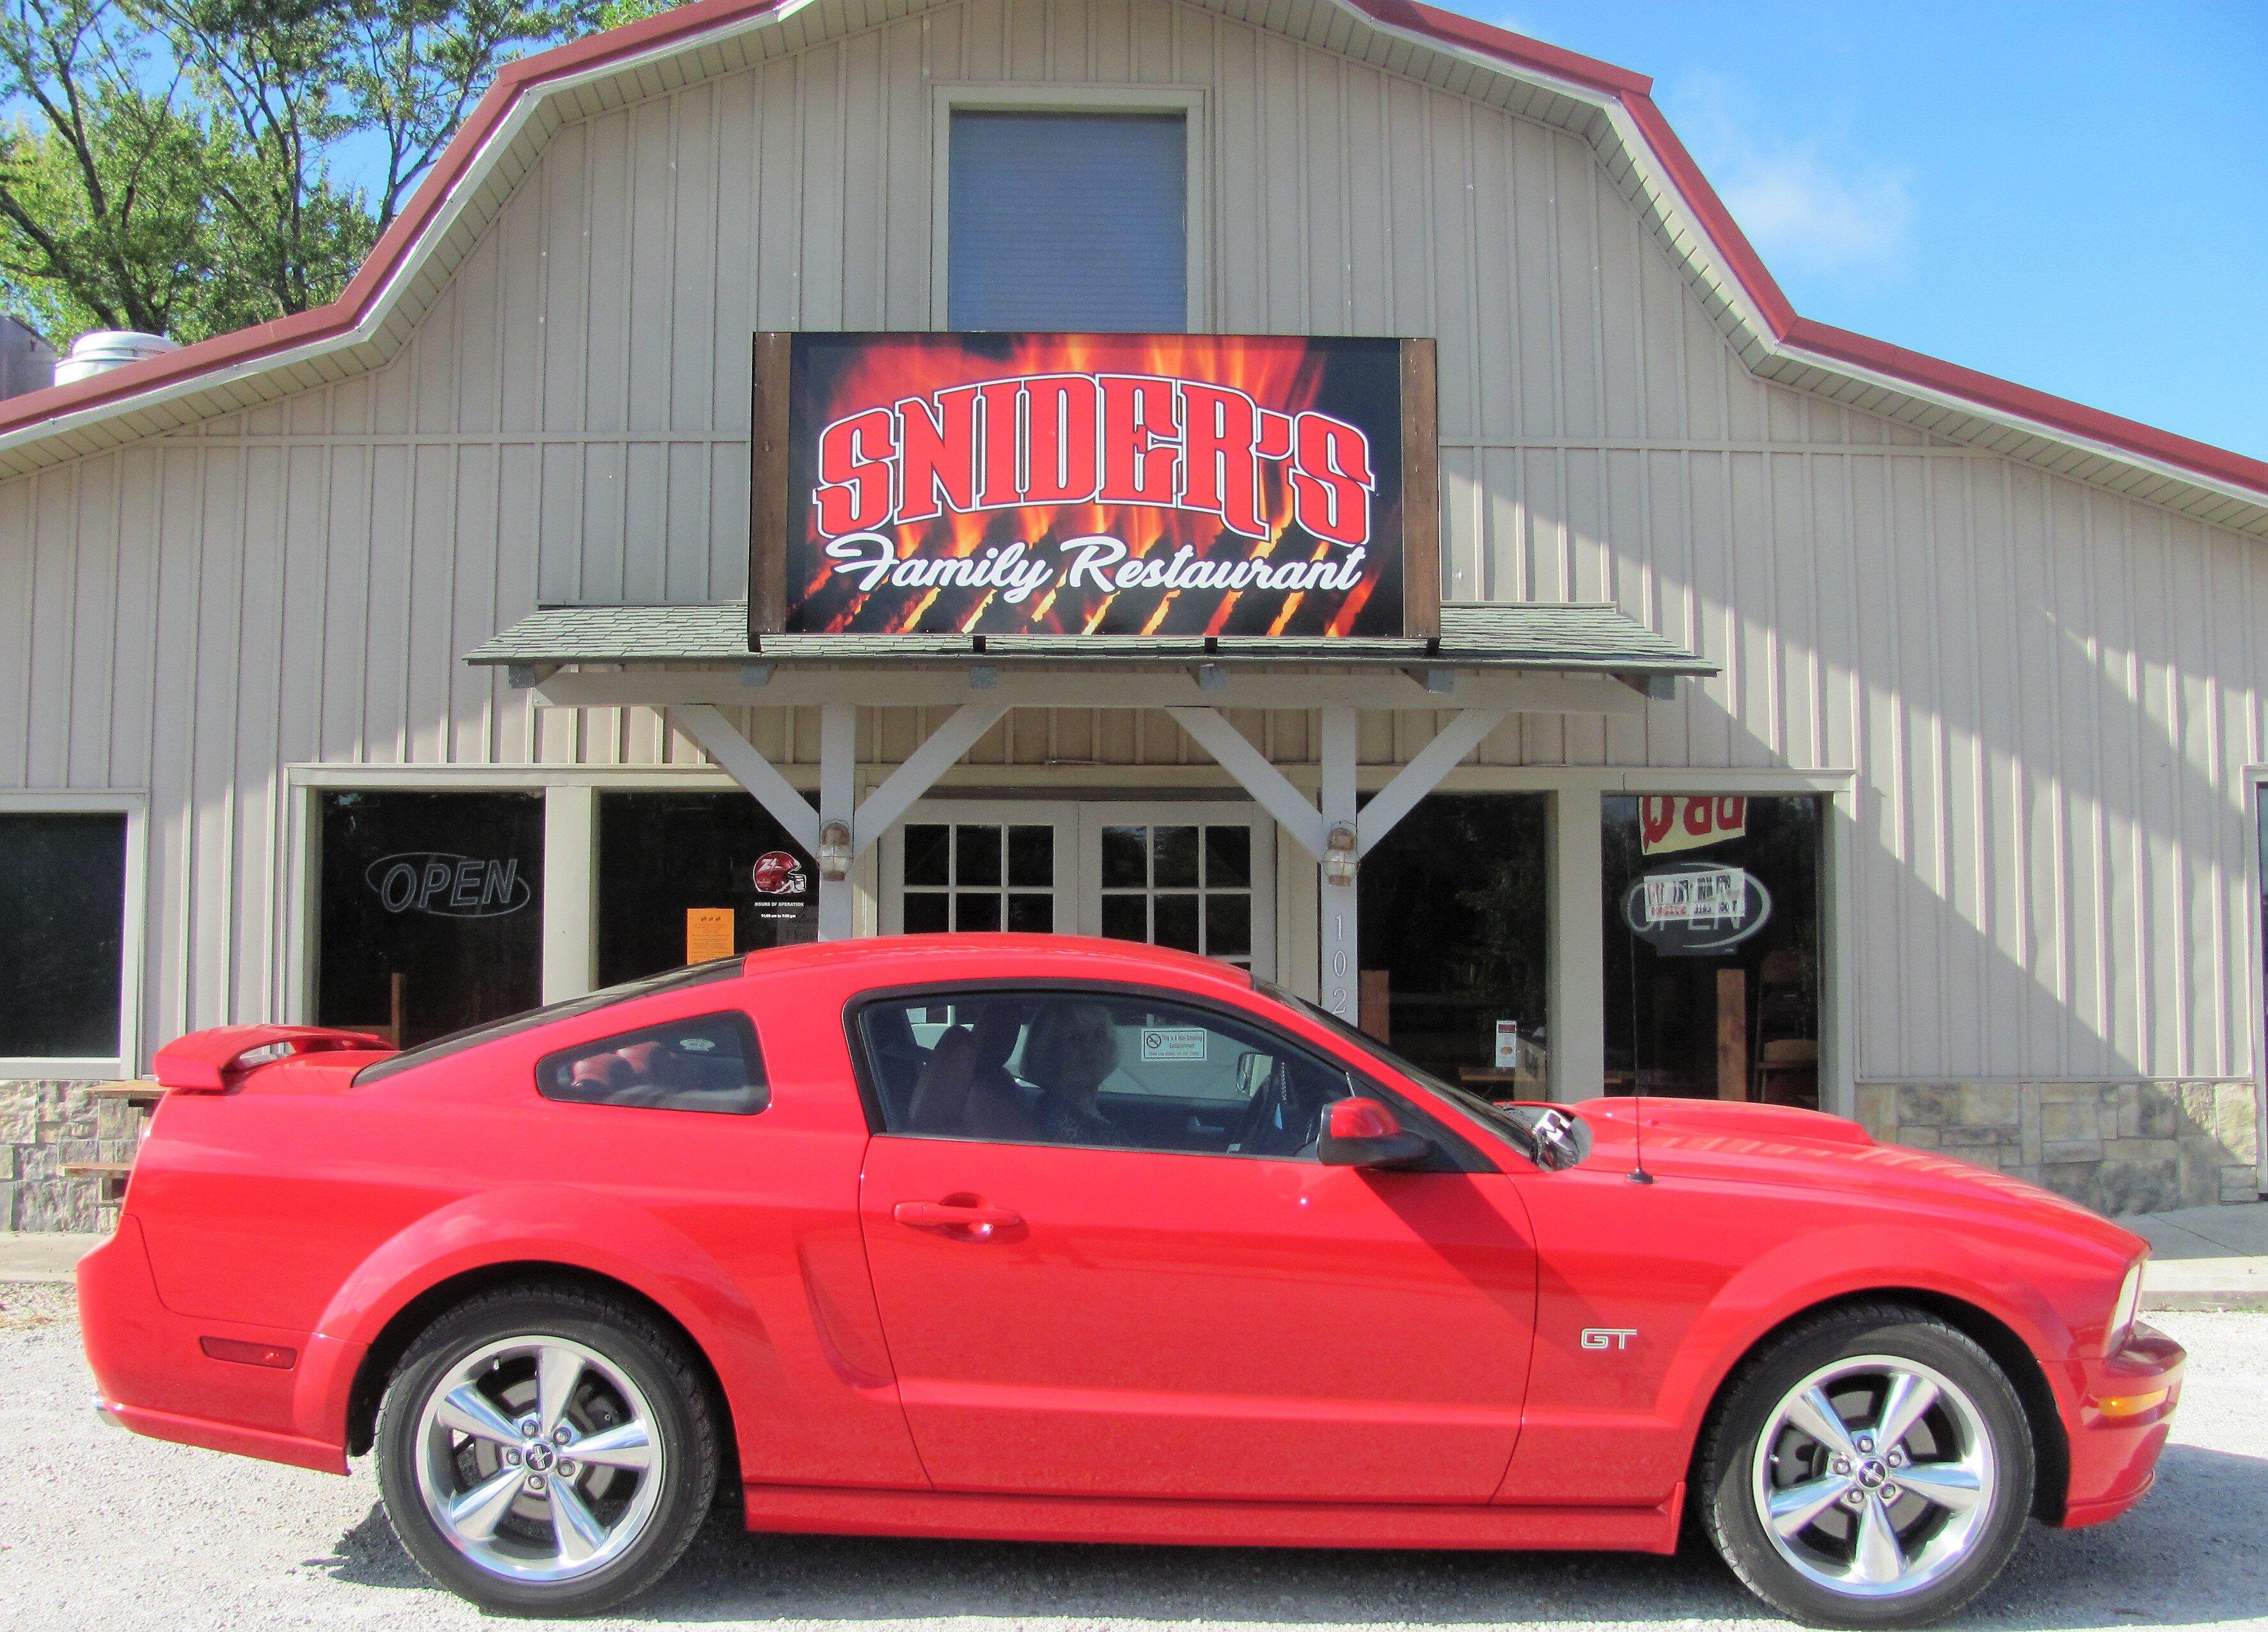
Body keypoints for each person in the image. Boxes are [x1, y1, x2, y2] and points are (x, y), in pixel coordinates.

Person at [1022, 1002, 1128, 1148]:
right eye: (1075, 1039)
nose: (1091, 1049)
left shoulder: (1080, 1108)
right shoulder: (1064, 1125)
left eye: (1099, 1035)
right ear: (1050, 1051)